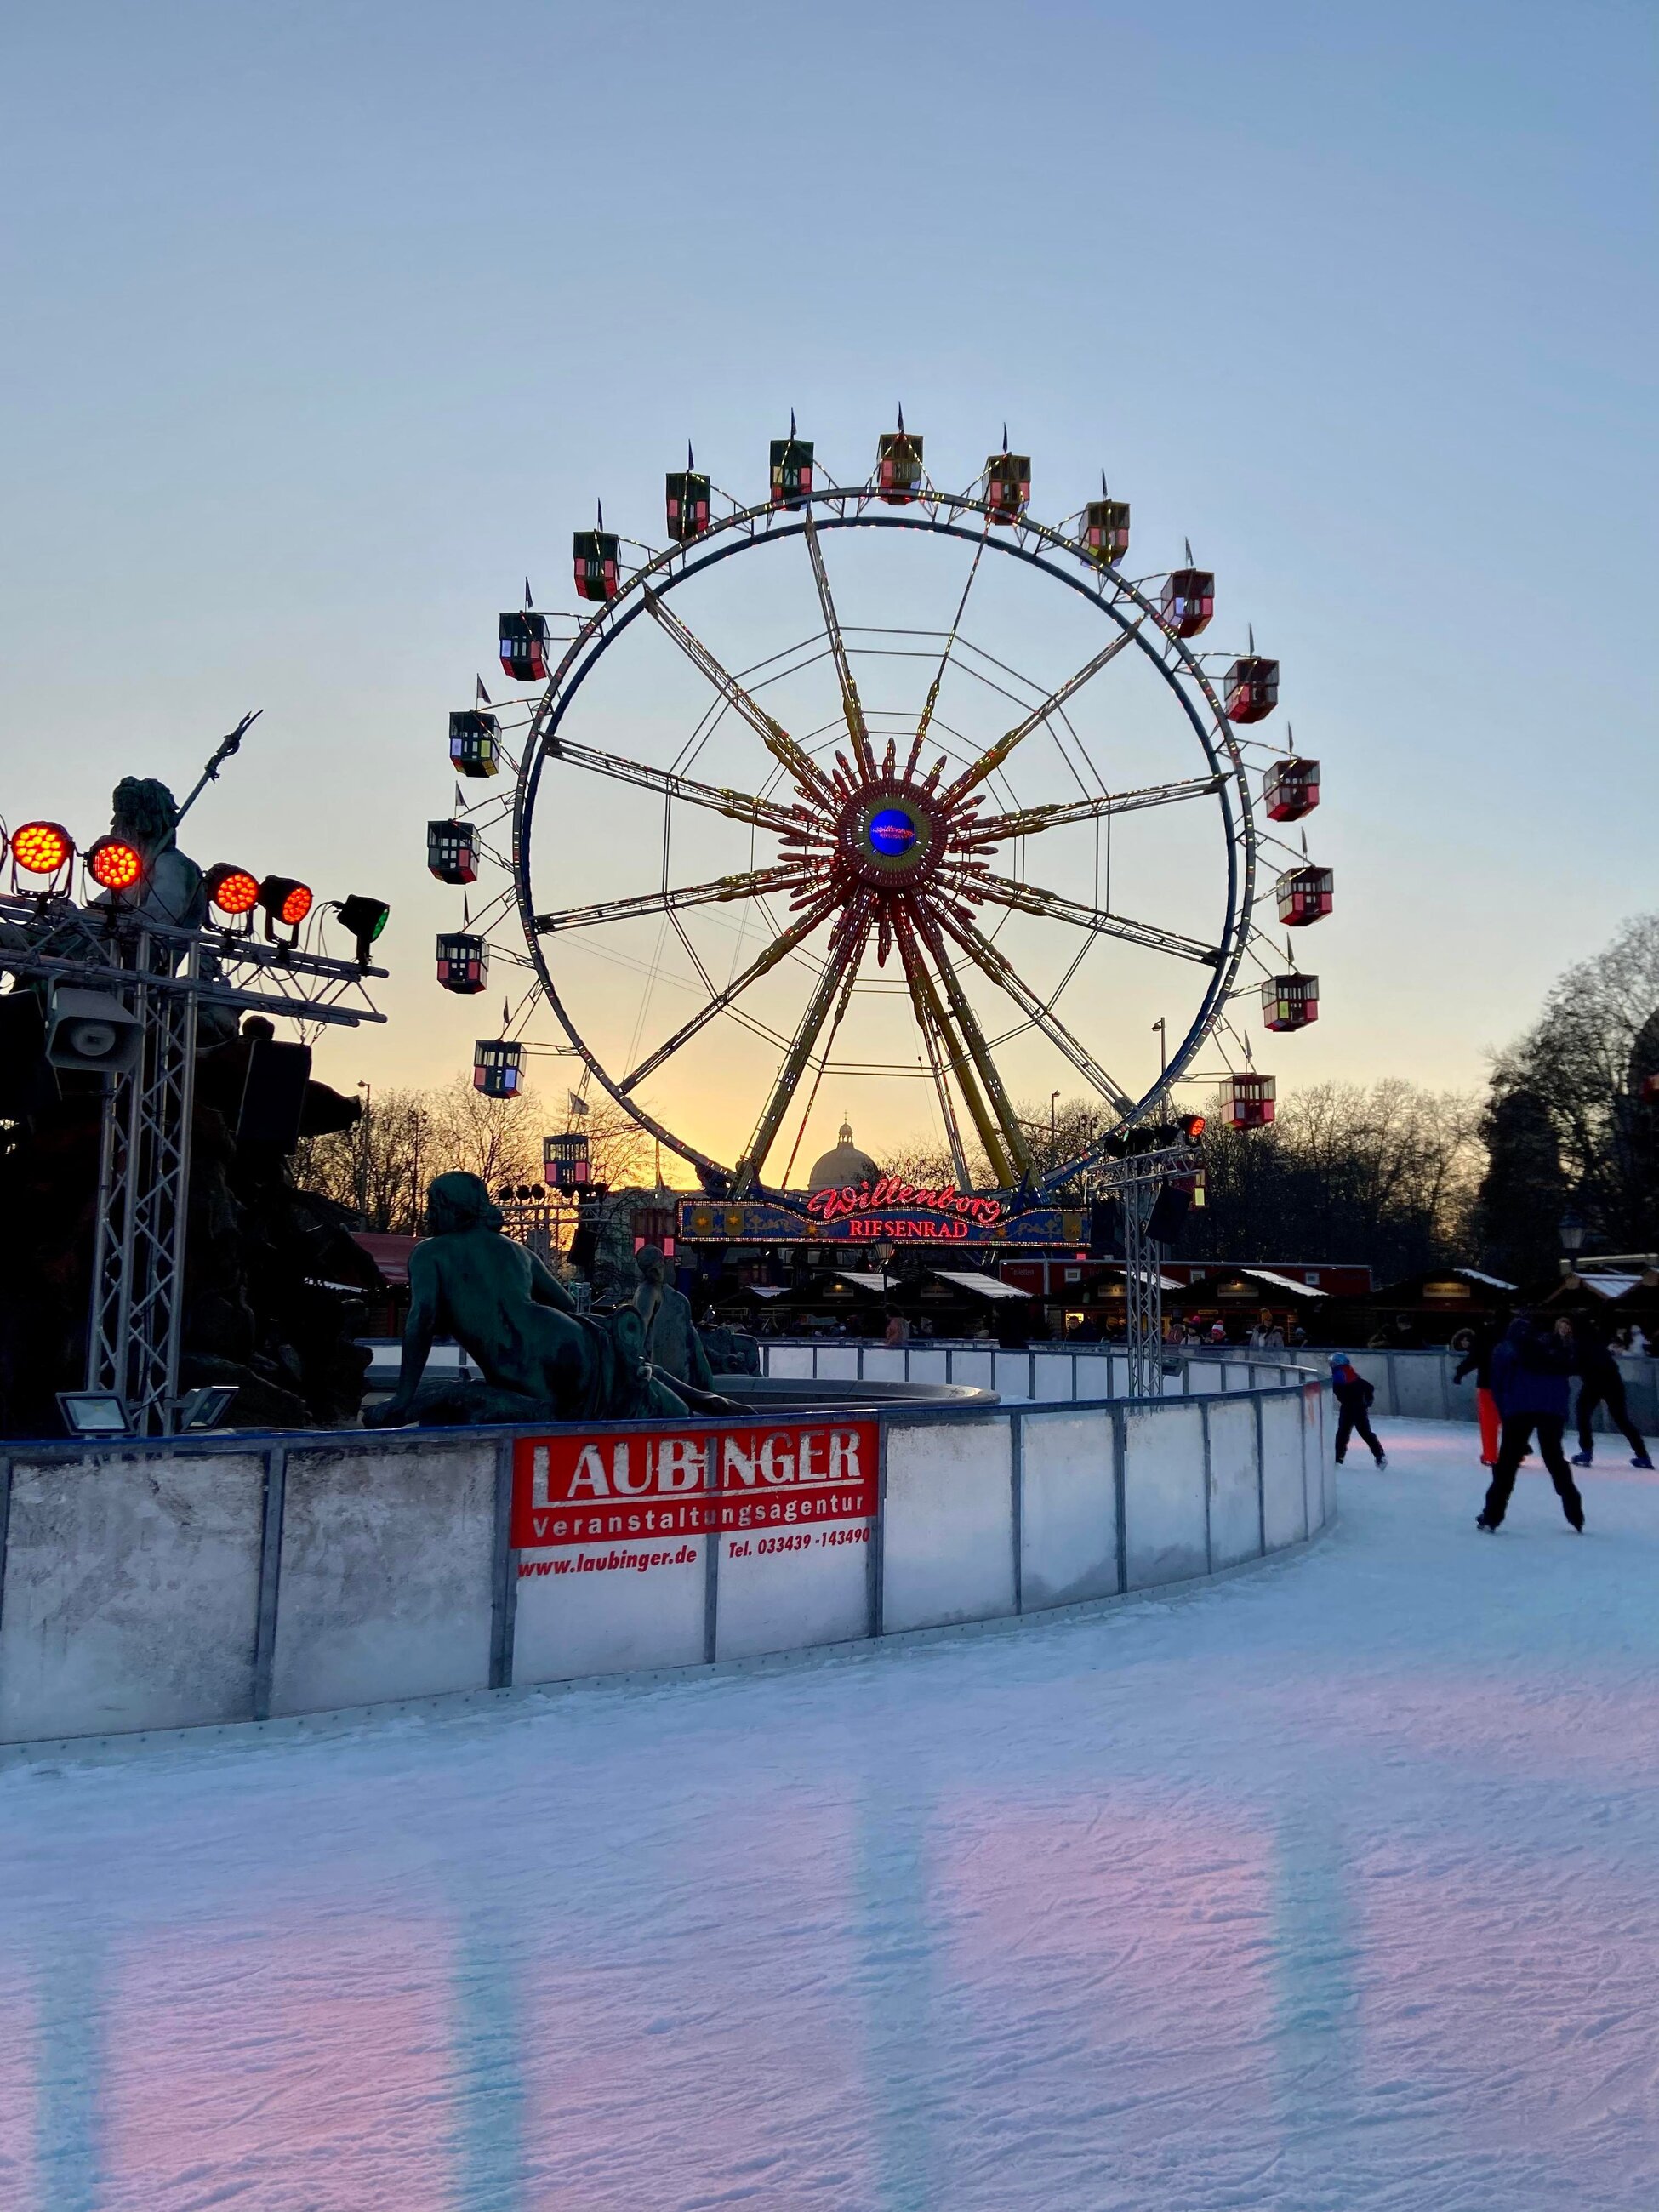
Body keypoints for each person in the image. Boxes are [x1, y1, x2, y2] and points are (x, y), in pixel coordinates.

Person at [1478, 1316, 1584, 1532]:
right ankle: (1574, 1511)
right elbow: (1564, 1380)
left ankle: (1492, 1515)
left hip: (1519, 1409)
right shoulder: (1549, 1349)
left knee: (1507, 1463)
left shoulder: (1505, 1349)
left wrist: (1505, 1413)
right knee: (1554, 1457)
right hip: (1552, 1410)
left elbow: (1497, 1384)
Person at [1571, 1314, 1652, 1469]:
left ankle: (1586, 1451)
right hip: (1612, 1382)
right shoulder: (1597, 1339)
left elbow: (1576, 1365)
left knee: (1583, 1415)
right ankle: (1642, 1455)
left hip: (1593, 1383)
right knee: (1622, 1419)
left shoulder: (1579, 1343)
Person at [1452, 1315, 1508, 1469]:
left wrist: (1459, 1373)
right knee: (1510, 1421)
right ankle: (1517, 1453)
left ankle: (1491, 1456)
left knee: (1489, 1423)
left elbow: (1473, 1359)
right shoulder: (1509, 1337)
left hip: (1487, 1385)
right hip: (1508, 1386)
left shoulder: (1483, 1338)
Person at [1329, 1354, 1386, 1468]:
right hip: (1355, 1407)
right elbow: (1367, 1386)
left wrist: (1367, 1399)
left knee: (1345, 1433)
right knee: (1361, 1432)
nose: (1331, 1366)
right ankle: (1380, 1456)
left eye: (1333, 1363)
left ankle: (1338, 1459)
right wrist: (1368, 1399)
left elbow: (1365, 1386)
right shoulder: (1347, 1372)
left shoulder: (1341, 1373)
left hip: (1353, 1407)